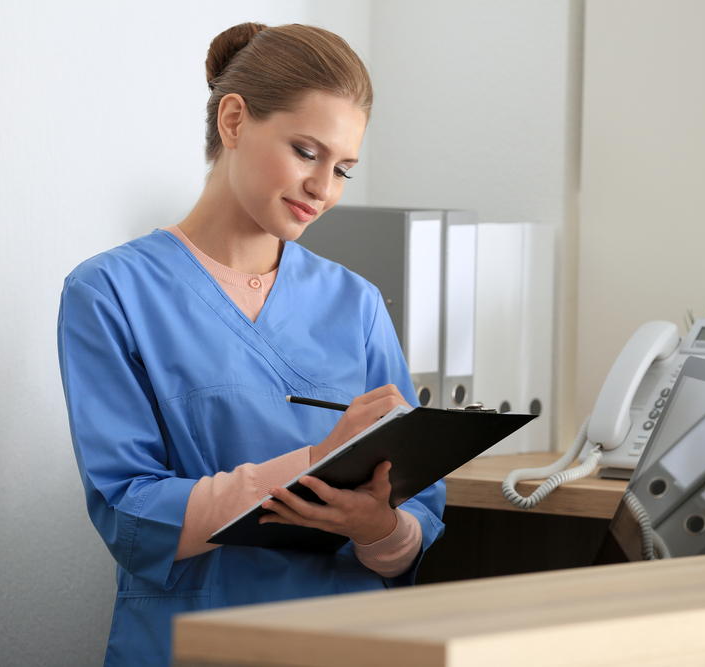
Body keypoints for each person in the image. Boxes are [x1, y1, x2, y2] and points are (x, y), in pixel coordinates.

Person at [57, 22, 445, 666]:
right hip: (197, 645)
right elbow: (131, 516)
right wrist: (312, 464)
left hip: (348, 644)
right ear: (234, 120)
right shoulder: (109, 292)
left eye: (343, 168)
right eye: (305, 151)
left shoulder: (359, 305)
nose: (324, 188)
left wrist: (377, 526)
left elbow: (416, 524)